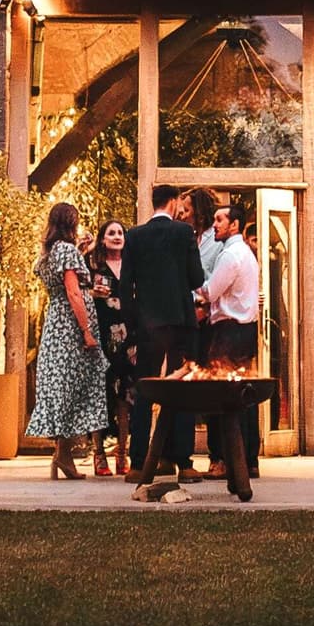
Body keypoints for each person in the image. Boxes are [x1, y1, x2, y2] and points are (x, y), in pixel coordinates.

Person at [122, 186, 205, 500]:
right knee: (180, 390)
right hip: (181, 323)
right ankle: (181, 461)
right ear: (172, 203)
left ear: (153, 202)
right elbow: (196, 278)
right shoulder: (184, 233)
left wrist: (135, 324)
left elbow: (124, 284)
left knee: (145, 389)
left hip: (148, 325)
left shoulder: (134, 236)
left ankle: (139, 462)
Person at [30, 202, 114, 480]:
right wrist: (87, 331)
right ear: (71, 223)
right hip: (70, 327)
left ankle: (62, 455)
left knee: (61, 385)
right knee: (73, 387)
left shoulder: (50, 252)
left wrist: (80, 251)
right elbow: (74, 293)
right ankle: (64, 455)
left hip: (55, 323)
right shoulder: (66, 251)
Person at [196, 192, 262, 496]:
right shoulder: (247, 254)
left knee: (221, 398)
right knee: (243, 396)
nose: (214, 226)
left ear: (234, 224)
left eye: (219, 220)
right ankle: (247, 460)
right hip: (245, 331)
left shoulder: (231, 256)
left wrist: (189, 293)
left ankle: (225, 460)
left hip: (228, 334)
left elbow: (210, 291)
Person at [90, 220, 138, 478]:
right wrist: (92, 294)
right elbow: (76, 292)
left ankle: (123, 452)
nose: (117, 236)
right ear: (103, 239)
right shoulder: (93, 264)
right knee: (101, 393)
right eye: (111, 233)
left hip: (128, 337)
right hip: (102, 335)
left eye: (120, 233)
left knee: (126, 396)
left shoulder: (133, 265)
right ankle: (98, 455)